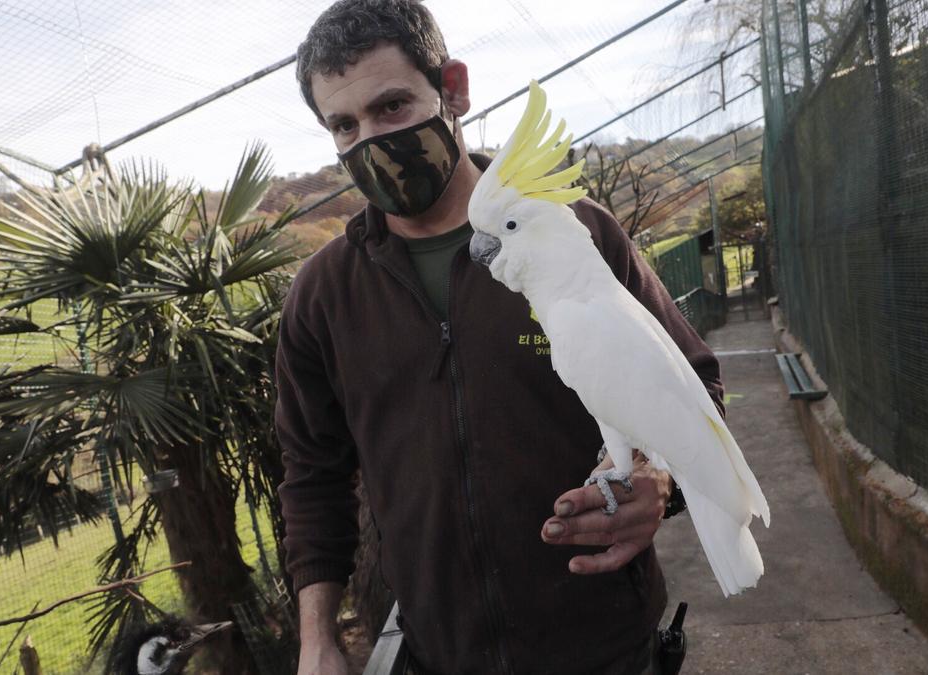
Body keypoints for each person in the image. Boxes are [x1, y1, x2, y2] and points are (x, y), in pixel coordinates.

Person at [274, 1, 725, 673]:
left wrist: (659, 481)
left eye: (392, 107)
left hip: (606, 647)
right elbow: (313, 475)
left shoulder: (576, 235)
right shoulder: (324, 296)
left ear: (452, 89)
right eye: (344, 124)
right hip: (439, 652)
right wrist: (317, 637)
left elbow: (698, 387)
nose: (369, 139)